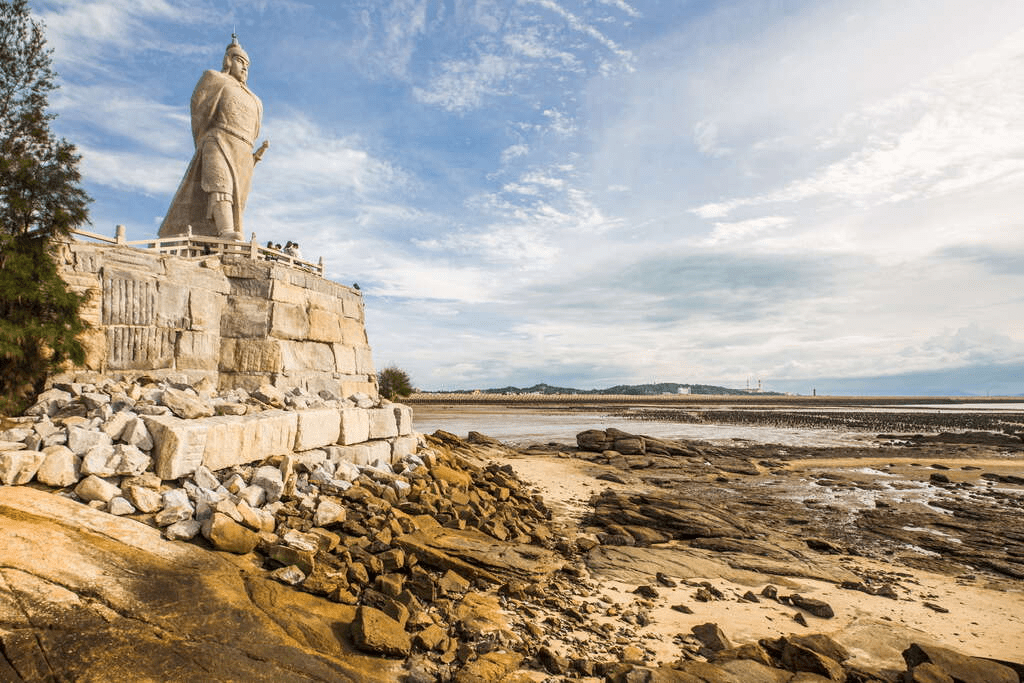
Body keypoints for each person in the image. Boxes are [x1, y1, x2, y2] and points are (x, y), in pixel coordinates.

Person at [159, 34, 268, 241]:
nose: (245, 68)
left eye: (247, 65)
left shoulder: (255, 100)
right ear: (228, 60)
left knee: (238, 198)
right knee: (220, 185)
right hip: (218, 139)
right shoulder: (215, 79)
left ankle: (232, 231)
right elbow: (199, 109)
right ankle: (225, 230)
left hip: (243, 148)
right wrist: (205, 138)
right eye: (240, 61)